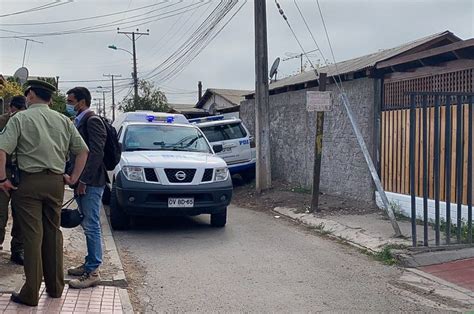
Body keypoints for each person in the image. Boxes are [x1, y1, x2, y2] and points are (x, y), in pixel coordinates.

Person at [0, 80, 89, 307]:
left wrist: (2, 179)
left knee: (32, 236)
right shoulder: (63, 120)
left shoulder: (20, 118)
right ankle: (55, 287)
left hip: (28, 183)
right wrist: (73, 178)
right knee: (53, 232)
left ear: (30, 95)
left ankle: (30, 292)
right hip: (56, 183)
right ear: (50, 99)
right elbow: (82, 151)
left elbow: (2, 149)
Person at [66, 87, 107, 289]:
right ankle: (89, 263)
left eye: (71, 101)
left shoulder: (92, 121)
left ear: (81, 102)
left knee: (91, 224)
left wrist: (84, 180)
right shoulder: (81, 121)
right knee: (87, 223)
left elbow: (96, 154)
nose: (69, 105)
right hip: (82, 181)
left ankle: (93, 271)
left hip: (91, 182)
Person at [0, 95, 26, 264]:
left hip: (22, 171)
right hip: (5, 170)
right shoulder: (2, 121)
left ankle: (18, 249)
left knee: (21, 213)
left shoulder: (28, 121)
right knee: (1, 212)